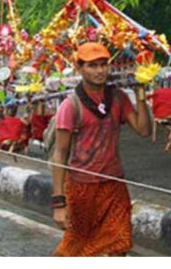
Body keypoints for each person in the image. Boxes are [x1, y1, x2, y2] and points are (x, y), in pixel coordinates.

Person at [51, 42, 151, 256]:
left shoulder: (118, 98)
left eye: (103, 65)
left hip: (113, 184)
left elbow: (143, 130)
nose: (99, 71)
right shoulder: (71, 105)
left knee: (119, 243)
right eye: (92, 65)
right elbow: (59, 153)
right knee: (75, 249)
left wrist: (141, 94)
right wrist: (59, 202)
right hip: (81, 187)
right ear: (79, 68)